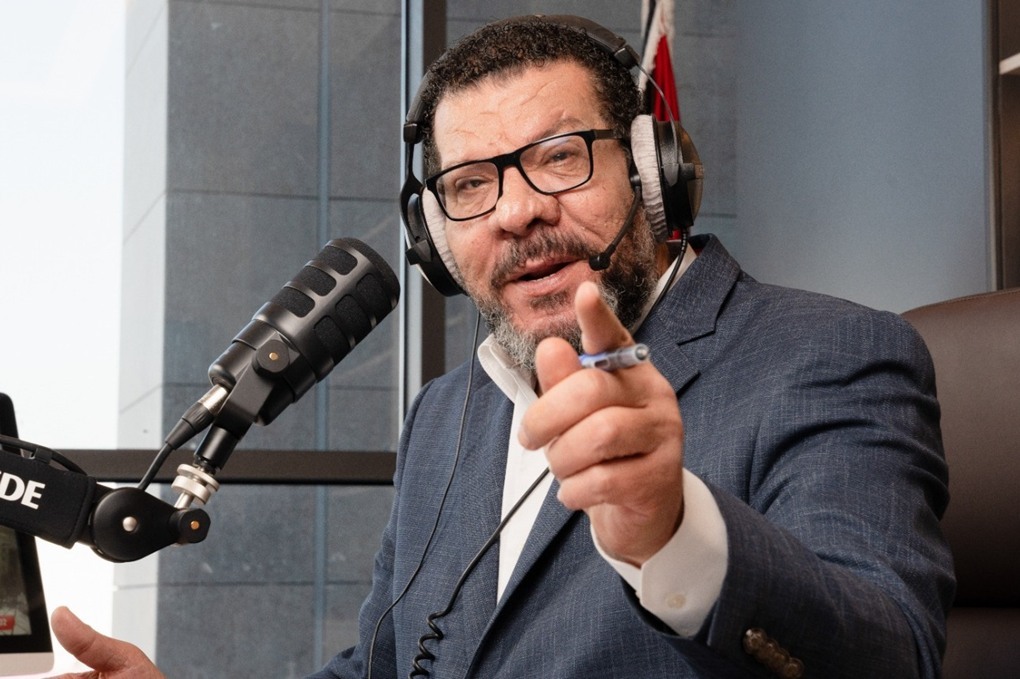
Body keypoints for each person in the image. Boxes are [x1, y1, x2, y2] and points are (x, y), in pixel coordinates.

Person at [49, 14, 954, 679]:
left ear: (651, 172)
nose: (516, 211)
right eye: (471, 184)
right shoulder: (449, 410)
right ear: (437, 240)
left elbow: (892, 654)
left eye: (559, 156)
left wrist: (672, 531)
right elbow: (381, 665)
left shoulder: (831, 352)